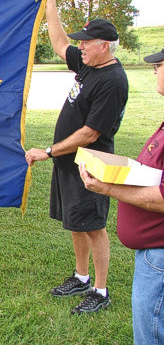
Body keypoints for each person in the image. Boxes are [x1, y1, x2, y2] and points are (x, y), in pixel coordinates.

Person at [25, 0, 128, 314]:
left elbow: (89, 133)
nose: (80, 46)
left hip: (90, 163)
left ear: (104, 46)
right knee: (76, 221)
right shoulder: (89, 64)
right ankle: (81, 276)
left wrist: (50, 151)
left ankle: (100, 289)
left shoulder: (112, 81)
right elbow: (58, 42)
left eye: (86, 42)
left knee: (94, 225)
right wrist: (51, 4)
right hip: (70, 162)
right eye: (80, 42)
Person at [79, 47, 164, 342]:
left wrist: (106, 187)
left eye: (161, 65)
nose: (155, 70)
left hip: (160, 257)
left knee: (151, 334)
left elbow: (162, 198)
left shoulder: (112, 80)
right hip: (153, 253)